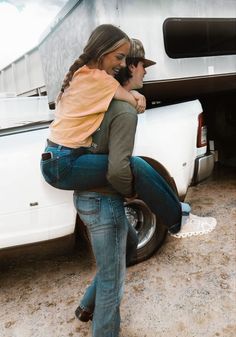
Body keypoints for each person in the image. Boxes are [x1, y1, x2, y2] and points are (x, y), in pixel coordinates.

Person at [72, 38, 217, 336]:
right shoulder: (123, 111)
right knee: (113, 283)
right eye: (143, 67)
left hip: (88, 197)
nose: (146, 73)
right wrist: (134, 191)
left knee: (125, 249)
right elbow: (117, 170)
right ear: (131, 67)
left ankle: (86, 306)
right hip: (103, 205)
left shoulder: (106, 99)